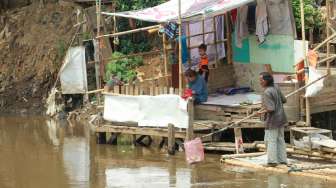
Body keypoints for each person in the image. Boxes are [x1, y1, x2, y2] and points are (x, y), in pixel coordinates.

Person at [259, 72, 287, 167]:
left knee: (270, 140)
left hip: (273, 120)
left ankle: (272, 161)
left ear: (266, 81)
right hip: (281, 118)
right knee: (280, 139)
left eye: (261, 80)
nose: (260, 82)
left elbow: (271, 109)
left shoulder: (267, 92)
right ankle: (282, 160)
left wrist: (261, 112)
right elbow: (284, 100)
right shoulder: (276, 87)